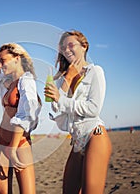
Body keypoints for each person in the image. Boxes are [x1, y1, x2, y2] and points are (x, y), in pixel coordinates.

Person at [44, 30, 112, 194]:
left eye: (71, 45)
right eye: (63, 47)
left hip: (94, 135)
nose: (66, 50)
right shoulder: (61, 78)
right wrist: (67, 80)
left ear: (84, 47)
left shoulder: (95, 72)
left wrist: (61, 100)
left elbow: (93, 108)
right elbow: (55, 111)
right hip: (76, 142)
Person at [0, 39, 41, 194]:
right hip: (0, 140)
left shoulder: (26, 81)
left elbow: (27, 113)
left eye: (4, 61)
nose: (1, 65)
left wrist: (13, 148)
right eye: (0, 61)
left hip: (18, 142)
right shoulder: (7, 82)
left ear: (17, 58)